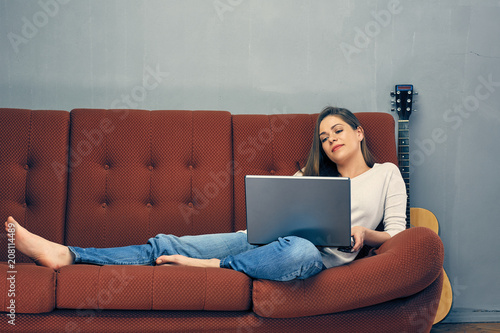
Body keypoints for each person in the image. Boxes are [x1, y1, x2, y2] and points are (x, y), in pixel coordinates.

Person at [4, 106, 406, 281]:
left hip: (314, 259)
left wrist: (366, 236)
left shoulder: (387, 174)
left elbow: (401, 235)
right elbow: (280, 207)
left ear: (359, 132)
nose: (331, 139)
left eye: (338, 130)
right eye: (323, 136)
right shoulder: (314, 175)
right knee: (165, 243)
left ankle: (216, 268)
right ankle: (68, 254)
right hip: (261, 242)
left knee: (300, 252)